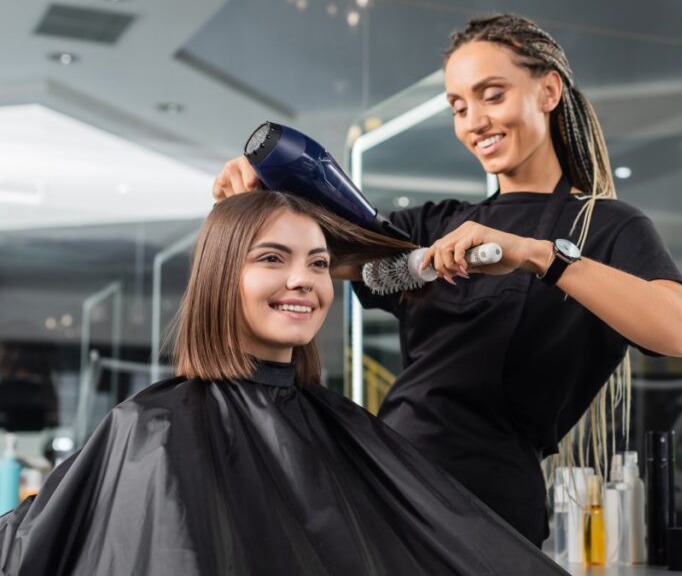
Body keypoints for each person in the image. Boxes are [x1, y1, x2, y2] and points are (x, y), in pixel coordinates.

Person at [213, 13, 682, 545]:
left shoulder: (607, 227)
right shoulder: (433, 226)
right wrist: (260, 193)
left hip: (487, 502)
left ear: (548, 90)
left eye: (492, 95)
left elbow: (679, 332)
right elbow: (332, 256)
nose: (474, 121)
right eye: (459, 106)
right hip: (385, 474)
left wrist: (539, 256)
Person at [0, 191, 566, 575]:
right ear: (222, 274)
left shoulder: (339, 426)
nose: (303, 280)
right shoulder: (151, 429)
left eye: (318, 264)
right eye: (272, 258)